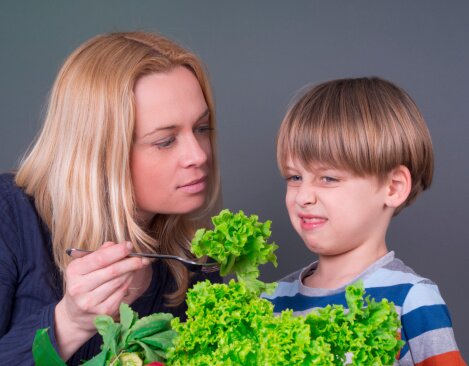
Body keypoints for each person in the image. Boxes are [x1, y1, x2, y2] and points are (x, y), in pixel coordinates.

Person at [0, 31, 221, 364]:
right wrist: (69, 323)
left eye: (201, 128)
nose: (198, 155)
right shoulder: (10, 217)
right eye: (165, 141)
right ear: (100, 153)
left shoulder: (196, 256)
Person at [264, 77, 465, 365]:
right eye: (295, 177)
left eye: (328, 178)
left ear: (393, 187)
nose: (303, 196)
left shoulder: (411, 298)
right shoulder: (273, 299)